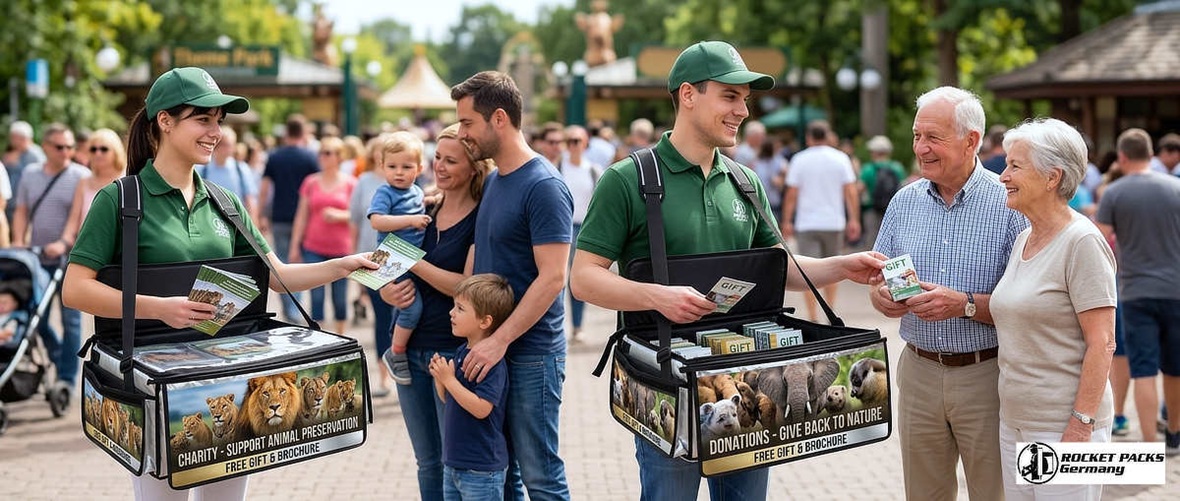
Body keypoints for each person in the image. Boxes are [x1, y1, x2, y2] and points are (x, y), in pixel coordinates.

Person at [570, 40, 886, 501]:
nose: (743, 110)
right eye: (730, 96)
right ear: (688, 95)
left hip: (745, 380)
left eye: (745, 99)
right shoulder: (627, 179)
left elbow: (779, 268)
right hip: (666, 378)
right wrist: (658, 296)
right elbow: (583, 277)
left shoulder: (745, 181)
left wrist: (842, 266)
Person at [61, 66, 376, 501]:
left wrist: (344, 265)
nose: (216, 132)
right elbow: (75, 290)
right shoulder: (119, 199)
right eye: (203, 119)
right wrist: (160, 308)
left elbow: (277, 277)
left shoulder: (224, 202)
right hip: (153, 385)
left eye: (219, 121)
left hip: (226, 377)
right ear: (165, 121)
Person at [869, 86, 1028, 501]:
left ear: (971, 141)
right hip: (917, 371)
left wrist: (965, 305)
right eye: (917, 136)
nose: (920, 147)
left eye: (933, 137)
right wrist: (881, 297)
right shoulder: (903, 201)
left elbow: (1032, 306)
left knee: (994, 493)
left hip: (988, 374)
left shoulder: (1011, 203)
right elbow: (880, 278)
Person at [451, 70, 574, 500]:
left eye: (467, 122)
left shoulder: (543, 185)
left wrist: (498, 341)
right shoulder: (496, 180)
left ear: (499, 118)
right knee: (501, 475)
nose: (461, 133)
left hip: (531, 355)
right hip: (493, 352)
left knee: (541, 477)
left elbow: (554, 277)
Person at [991, 118, 1117, 499]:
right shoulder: (1024, 239)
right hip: (1015, 422)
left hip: (1063, 429)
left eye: (1015, 166)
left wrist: (1080, 426)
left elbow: (1103, 342)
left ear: (1052, 177)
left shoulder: (1082, 242)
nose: (1003, 177)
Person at [380, 123, 492, 499]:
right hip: (408, 350)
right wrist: (386, 291)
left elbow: (466, 285)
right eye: (437, 158)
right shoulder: (423, 207)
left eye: (451, 161)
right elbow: (382, 265)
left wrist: (411, 261)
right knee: (426, 461)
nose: (439, 166)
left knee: (452, 459)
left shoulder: (481, 218)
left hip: (450, 353)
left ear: (474, 167)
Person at [1095, 128, 1180, 455]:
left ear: (1122, 157)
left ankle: (1148, 445)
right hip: (1175, 289)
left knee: (1144, 368)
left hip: (1135, 291)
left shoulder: (1114, 193)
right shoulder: (1175, 188)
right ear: (1151, 153)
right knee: (1174, 368)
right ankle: (1174, 434)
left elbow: (1099, 241)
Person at [13, 123, 90, 393]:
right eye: (59, 147)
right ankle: (58, 357)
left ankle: (67, 380)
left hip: (71, 260)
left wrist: (65, 243)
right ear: (45, 147)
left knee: (71, 321)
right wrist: (18, 241)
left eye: (70, 146)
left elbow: (83, 217)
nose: (66, 151)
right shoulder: (30, 174)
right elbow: (21, 210)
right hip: (37, 259)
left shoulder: (81, 175)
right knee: (37, 319)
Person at [428, 273, 516, 501]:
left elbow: (482, 408)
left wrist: (449, 380)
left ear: (485, 321)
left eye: (460, 308)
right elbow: (450, 400)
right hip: (453, 463)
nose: (451, 312)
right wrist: (440, 379)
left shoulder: (491, 363)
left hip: (481, 469)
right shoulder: (461, 352)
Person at [782, 120, 860, 322]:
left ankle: (812, 315)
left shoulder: (799, 159)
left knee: (807, 272)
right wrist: (853, 219)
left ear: (809, 138)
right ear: (827, 136)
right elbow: (850, 191)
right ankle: (830, 311)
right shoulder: (841, 158)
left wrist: (787, 220)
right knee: (834, 268)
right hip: (834, 222)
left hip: (807, 223)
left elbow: (792, 193)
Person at [370, 131, 431, 385]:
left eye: (406, 167)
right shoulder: (385, 192)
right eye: (392, 166)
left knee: (409, 305)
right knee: (411, 307)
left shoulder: (416, 191)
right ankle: (396, 352)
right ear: (382, 165)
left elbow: (420, 205)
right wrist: (410, 220)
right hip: (390, 259)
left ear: (419, 168)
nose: (399, 172)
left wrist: (431, 200)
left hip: (408, 260)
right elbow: (377, 221)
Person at [290, 136, 356, 335]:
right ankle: (319, 337)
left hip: (342, 249)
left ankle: (341, 338)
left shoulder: (351, 183)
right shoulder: (310, 182)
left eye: (327, 153)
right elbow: (301, 215)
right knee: (316, 296)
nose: (322, 157)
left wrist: (340, 215)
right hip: (313, 246)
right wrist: (295, 245)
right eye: (320, 152)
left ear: (339, 157)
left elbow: (360, 215)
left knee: (340, 298)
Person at [260, 116, 320, 321]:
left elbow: (265, 188)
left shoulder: (275, 156)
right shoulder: (310, 157)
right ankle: (295, 308)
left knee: (281, 265)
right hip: (305, 219)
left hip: (279, 217)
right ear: (303, 133)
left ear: (287, 132)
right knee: (299, 265)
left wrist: (261, 214)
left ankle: (289, 309)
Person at [350, 133, 394, 395]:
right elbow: (355, 220)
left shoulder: (403, 180)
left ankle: (401, 371)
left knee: (400, 318)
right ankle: (383, 376)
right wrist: (353, 255)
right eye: (380, 151)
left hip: (398, 259)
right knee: (381, 318)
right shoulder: (364, 181)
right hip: (371, 258)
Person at [558, 125, 602, 341]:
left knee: (577, 279)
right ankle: (559, 326)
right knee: (556, 278)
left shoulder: (593, 170)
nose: (573, 145)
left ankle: (577, 326)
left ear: (585, 144)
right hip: (561, 227)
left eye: (577, 141)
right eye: (570, 141)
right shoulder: (558, 167)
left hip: (584, 227)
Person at [62, 128, 127, 248]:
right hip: (88, 248)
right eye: (93, 149)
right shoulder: (84, 182)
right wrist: (63, 242)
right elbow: (73, 221)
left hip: (121, 249)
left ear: (116, 151)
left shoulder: (128, 178)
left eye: (104, 149)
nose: (98, 153)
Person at [198, 126, 259, 224]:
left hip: (236, 223)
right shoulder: (202, 169)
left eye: (231, 145)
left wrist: (253, 226)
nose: (230, 148)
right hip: (209, 223)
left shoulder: (241, 169)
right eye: (226, 144)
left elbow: (250, 199)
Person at [859, 135, 906, 249]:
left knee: (872, 238)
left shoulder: (868, 169)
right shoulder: (897, 168)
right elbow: (903, 187)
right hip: (893, 209)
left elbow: (860, 188)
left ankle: (871, 259)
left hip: (871, 208)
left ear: (874, 152)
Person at [5, 121, 45, 223]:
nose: (11, 140)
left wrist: (16, 165)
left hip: (26, 206)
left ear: (23, 138)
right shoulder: (13, 152)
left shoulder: (35, 155)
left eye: (13, 137)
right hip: (11, 204)